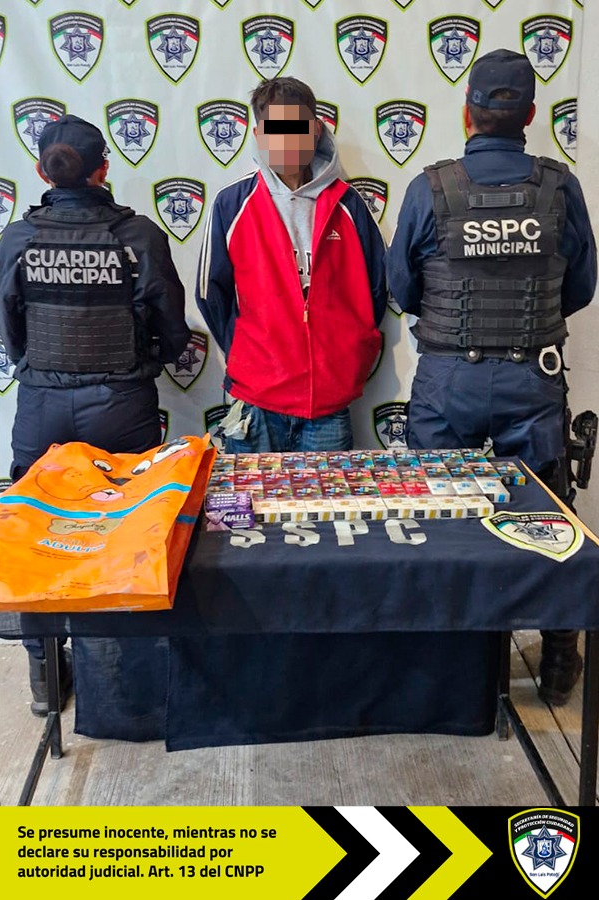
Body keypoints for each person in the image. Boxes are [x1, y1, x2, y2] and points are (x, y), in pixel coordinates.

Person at [386, 48, 597, 706]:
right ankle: (558, 659)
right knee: (547, 518)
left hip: (448, 383)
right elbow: (581, 286)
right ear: (531, 115)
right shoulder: (559, 187)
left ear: (467, 113)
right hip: (531, 381)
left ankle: (447, 670)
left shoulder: (430, 188)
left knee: (438, 521)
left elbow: (402, 288)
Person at [0, 114, 190, 716]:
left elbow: (9, 329)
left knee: (36, 541)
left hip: (42, 409)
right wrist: (144, 363)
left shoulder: (17, 239)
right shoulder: (139, 236)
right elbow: (173, 328)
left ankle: (45, 677)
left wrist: (40, 367)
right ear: (104, 168)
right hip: (121, 406)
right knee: (128, 535)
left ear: (41, 172)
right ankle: (126, 681)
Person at [196, 76, 387, 453]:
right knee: (251, 495)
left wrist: (347, 350)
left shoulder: (349, 205)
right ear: (258, 135)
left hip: (329, 402)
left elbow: (376, 290)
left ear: (315, 130)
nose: (285, 141)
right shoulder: (232, 204)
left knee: (326, 496)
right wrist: (251, 352)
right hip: (257, 400)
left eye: (295, 129)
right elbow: (210, 294)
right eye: (274, 131)